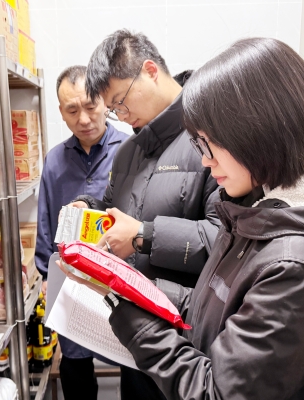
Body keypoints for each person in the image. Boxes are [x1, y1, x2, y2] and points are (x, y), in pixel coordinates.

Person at [60, 37, 304, 400]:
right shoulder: (258, 215)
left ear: (258, 132)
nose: (205, 161)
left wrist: (125, 306)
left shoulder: (296, 268)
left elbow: (217, 392)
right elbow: (210, 306)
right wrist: (124, 287)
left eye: (208, 144)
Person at [66, 30, 220, 399]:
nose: (121, 116)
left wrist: (144, 235)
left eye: (120, 101)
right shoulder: (128, 152)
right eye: (113, 109)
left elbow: (227, 243)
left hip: (190, 344)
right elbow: (114, 209)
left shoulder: (211, 136)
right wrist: (88, 209)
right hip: (135, 337)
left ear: (150, 71)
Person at [34, 65, 129, 400]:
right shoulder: (54, 161)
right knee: (75, 365)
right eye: (73, 110)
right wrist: (47, 275)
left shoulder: (130, 150)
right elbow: (45, 221)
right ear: (61, 112)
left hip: (120, 279)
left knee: (132, 362)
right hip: (70, 279)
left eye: (90, 106)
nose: (84, 119)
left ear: (104, 102)